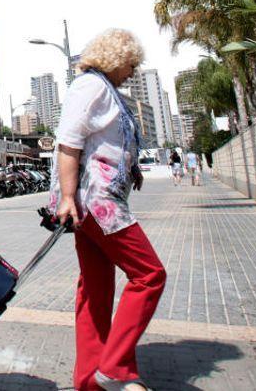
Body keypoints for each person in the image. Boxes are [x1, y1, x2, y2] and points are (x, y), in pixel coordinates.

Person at [51, 29, 166, 391]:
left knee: (95, 289)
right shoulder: (91, 86)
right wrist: (68, 197)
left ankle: (90, 381)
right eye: (131, 63)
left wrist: (130, 170)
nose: (133, 71)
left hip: (97, 201)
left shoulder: (106, 89)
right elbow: (68, 143)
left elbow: (107, 142)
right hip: (96, 204)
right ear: (116, 58)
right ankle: (115, 368)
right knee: (149, 275)